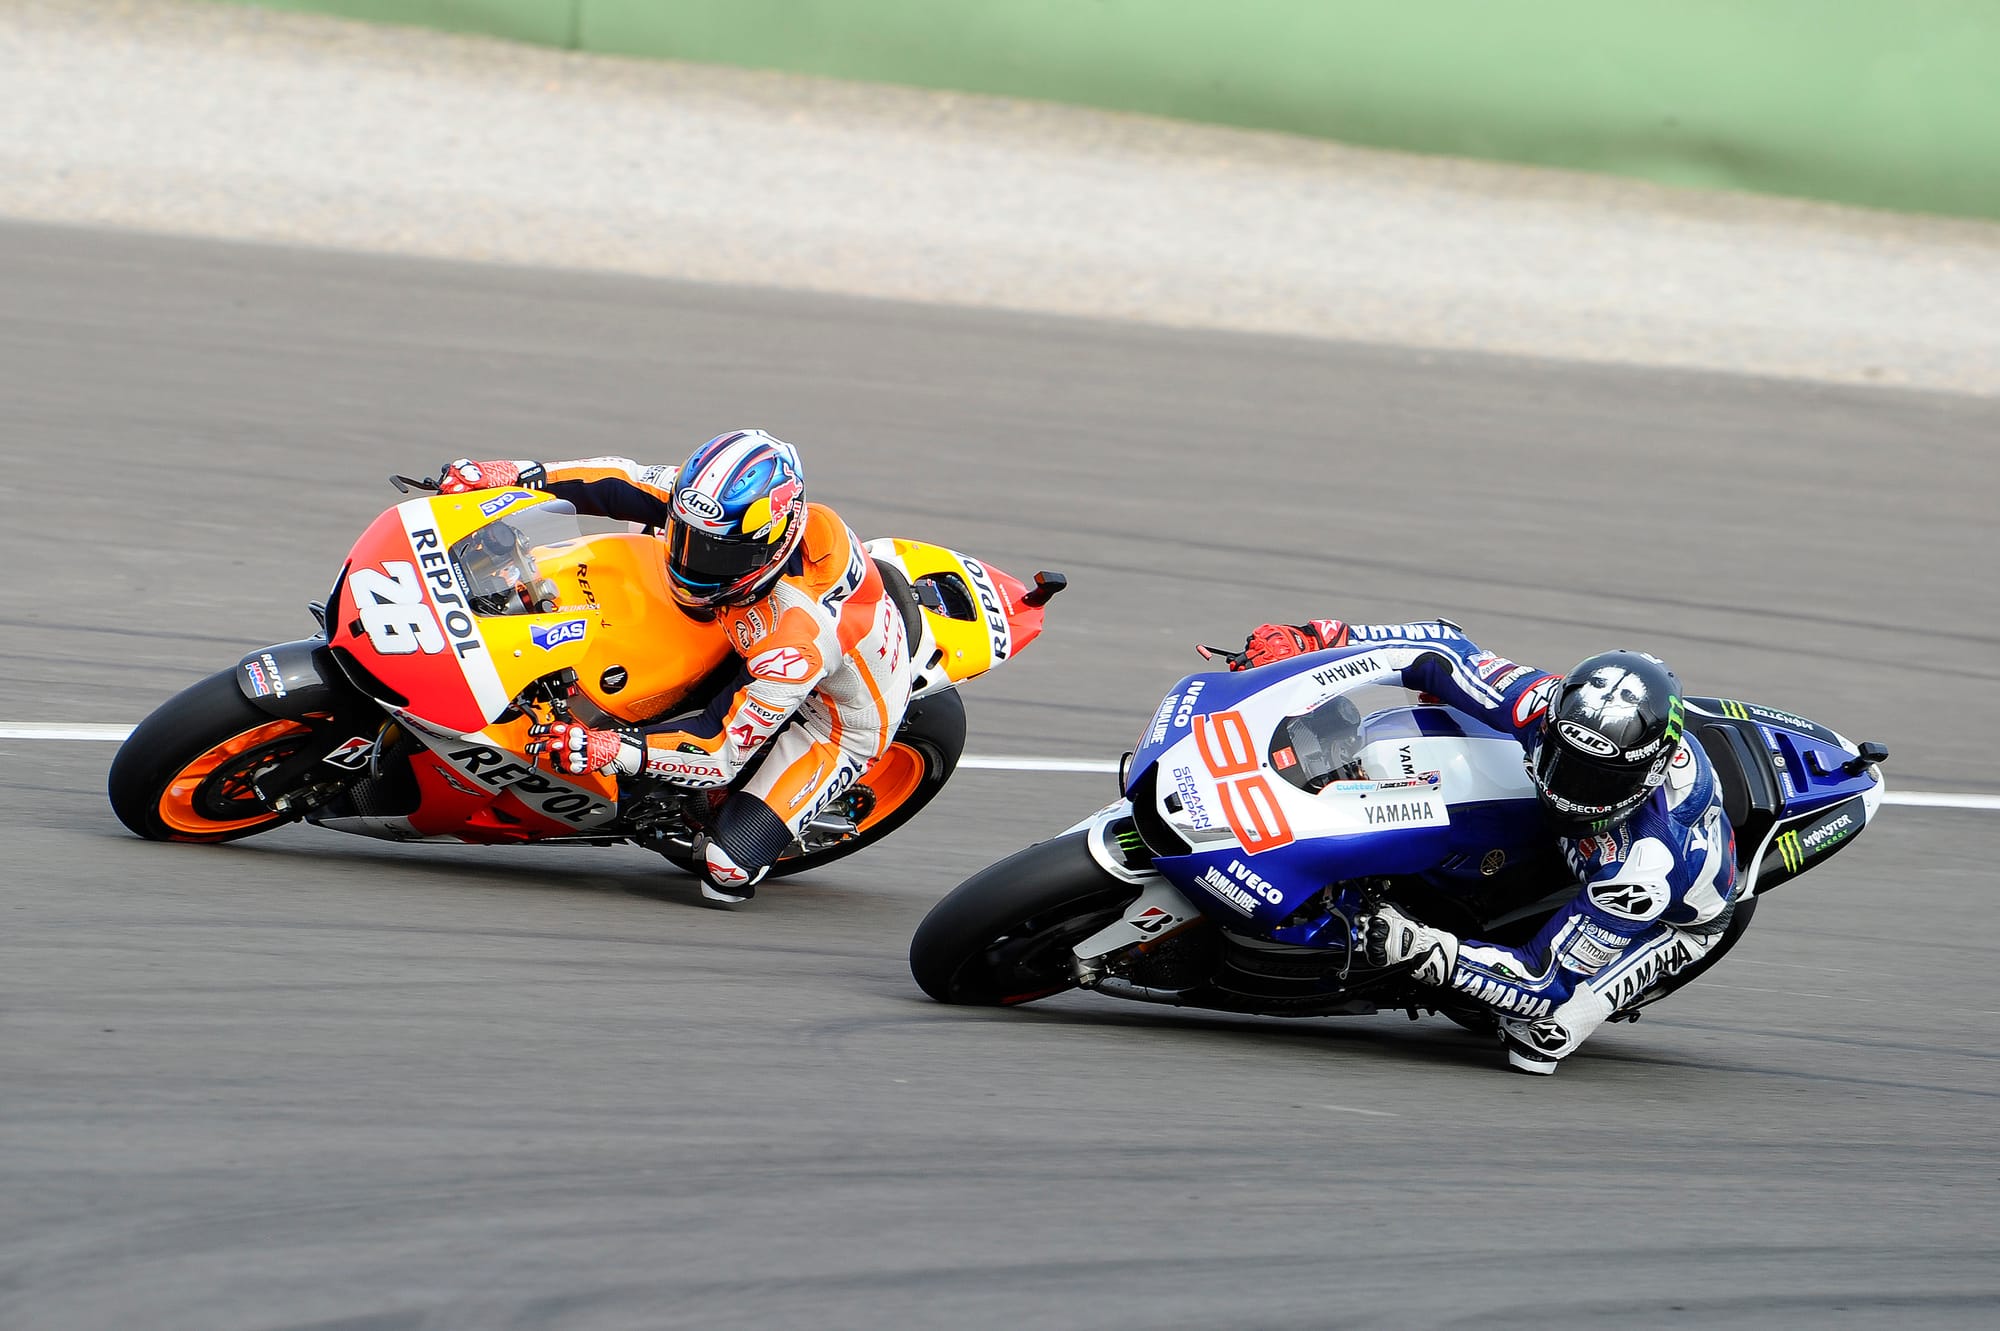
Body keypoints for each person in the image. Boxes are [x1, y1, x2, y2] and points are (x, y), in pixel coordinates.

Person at [1233, 618, 1738, 1074]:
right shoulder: (1544, 706)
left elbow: (1541, 982)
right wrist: (1315, 642)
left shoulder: (1643, 867)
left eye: (1594, 780)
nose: (1568, 788)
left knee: (1538, 1038)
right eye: (1564, 761)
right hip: (1575, 835)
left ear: (1646, 776)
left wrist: (1430, 951)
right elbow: (1437, 649)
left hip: (1678, 920)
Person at [439, 431, 912, 905]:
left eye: (714, 554)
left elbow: (716, 751)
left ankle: (736, 819)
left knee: (724, 872)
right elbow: (618, 480)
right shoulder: (720, 513)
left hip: (832, 721)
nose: (690, 560)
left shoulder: (797, 638)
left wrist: (608, 749)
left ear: (771, 545)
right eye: (685, 538)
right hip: (743, 634)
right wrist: (515, 474)